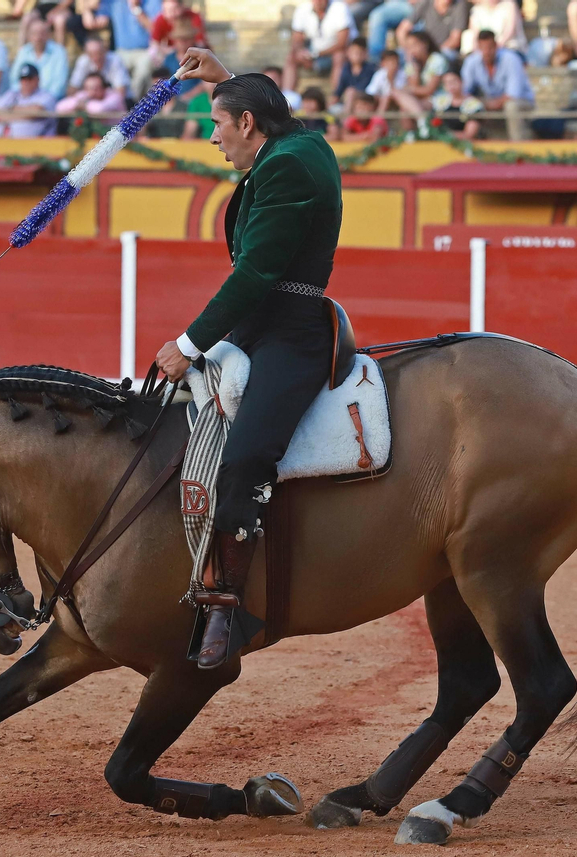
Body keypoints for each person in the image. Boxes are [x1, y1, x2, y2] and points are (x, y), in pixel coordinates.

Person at [153, 48, 345, 670]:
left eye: (218, 124)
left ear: (246, 125)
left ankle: (225, 606)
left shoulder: (285, 168)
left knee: (245, 458)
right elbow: (274, 114)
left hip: (290, 333)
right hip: (260, 326)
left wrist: (188, 344)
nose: (212, 138)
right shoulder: (296, 145)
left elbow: (258, 271)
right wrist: (228, 79)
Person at [460, 29, 533, 139]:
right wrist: (479, 102)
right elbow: (465, 91)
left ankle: (518, 146)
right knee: (469, 105)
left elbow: (513, 94)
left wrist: (490, 104)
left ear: (496, 46)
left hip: (522, 102)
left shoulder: (511, 59)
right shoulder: (471, 61)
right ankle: (470, 147)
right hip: (489, 101)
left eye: (490, 47)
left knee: (511, 106)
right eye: (483, 48)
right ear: (478, 47)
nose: (487, 52)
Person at [286, 0, 353, 91]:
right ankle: (288, 95)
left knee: (339, 56)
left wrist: (316, 54)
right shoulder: (302, 9)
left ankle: (336, 96)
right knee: (292, 57)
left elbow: (342, 43)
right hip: (314, 52)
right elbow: (297, 39)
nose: (318, 1)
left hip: (332, 53)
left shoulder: (340, 8)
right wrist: (301, 51)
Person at [104, 0, 163, 95]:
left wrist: (136, 8)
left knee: (143, 71)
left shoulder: (153, 2)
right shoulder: (115, 3)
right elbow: (98, 14)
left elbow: (154, 29)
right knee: (114, 70)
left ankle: (132, 102)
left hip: (145, 51)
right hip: (121, 52)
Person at [11, 18, 71, 104]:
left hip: (49, 101)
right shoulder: (23, 52)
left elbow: (59, 85)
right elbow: (14, 80)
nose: (38, 37)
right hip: (23, 100)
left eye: (42, 33)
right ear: (29, 36)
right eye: (34, 33)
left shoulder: (59, 52)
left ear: (49, 34)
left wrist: (41, 100)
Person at [0, 64, 59, 137]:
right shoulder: (11, 94)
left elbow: (37, 111)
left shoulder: (47, 96)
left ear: (37, 79)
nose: (26, 82)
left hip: (37, 145)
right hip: (3, 143)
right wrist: (25, 115)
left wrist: (10, 110)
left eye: (29, 78)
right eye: (23, 79)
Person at [396, 0, 467, 59]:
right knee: (400, 55)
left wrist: (435, 53)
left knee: (441, 57)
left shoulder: (459, 5)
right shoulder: (426, 2)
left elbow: (455, 40)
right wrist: (408, 49)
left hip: (444, 51)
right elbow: (402, 30)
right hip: (425, 49)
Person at [54, 72, 127, 126]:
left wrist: (84, 105)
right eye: (88, 88)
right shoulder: (84, 94)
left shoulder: (115, 97)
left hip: (120, 139)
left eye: (96, 89)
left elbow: (100, 109)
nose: (92, 92)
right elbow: (59, 107)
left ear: (104, 88)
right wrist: (77, 104)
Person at [431, 67, 482, 138]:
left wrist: (446, 135)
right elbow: (433, 127)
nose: (451, 85)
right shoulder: (439, 102)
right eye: (447, 83)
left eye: (454, 81)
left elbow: (469, 134)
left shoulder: (474, 105)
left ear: (461, 81)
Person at [334, 37, 378, 112]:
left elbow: (364, 89)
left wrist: (351, 93)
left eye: (359, 52)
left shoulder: (370, 69)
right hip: (349, 101)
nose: (356, 55)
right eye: (353, 52)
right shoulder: (346, 68)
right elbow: (339, 90)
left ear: (365, 54)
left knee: (350, 92)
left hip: (366, 101)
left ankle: (346, 120)